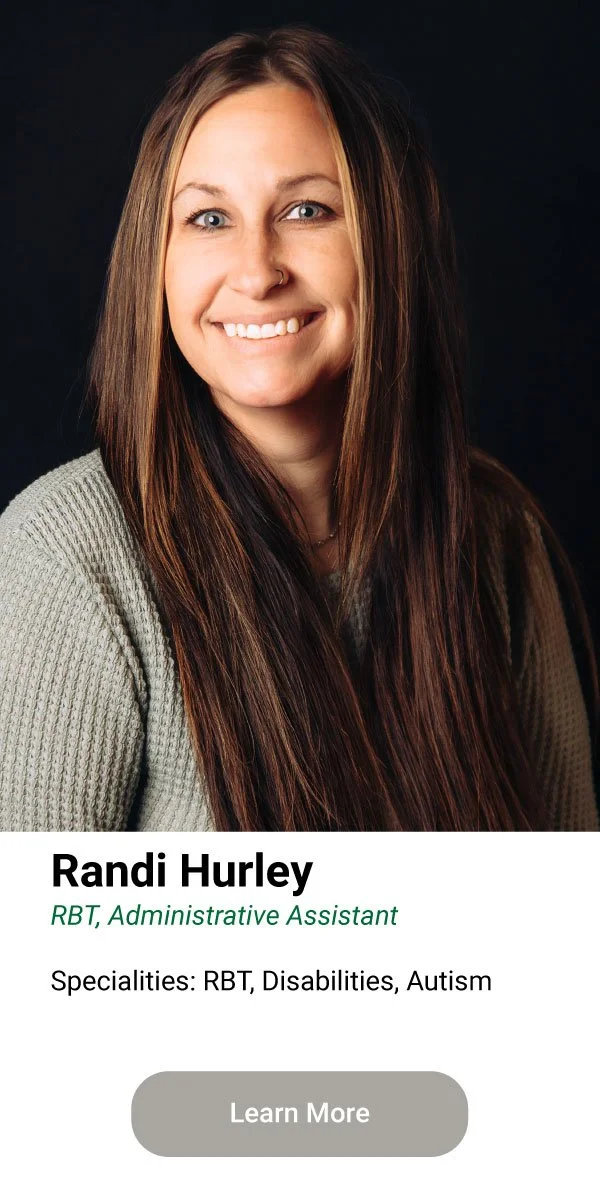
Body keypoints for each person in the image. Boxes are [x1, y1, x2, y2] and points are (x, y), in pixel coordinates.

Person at [0, 25, 597, 831]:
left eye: (306, 210)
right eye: (209, 219)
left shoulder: (495, 538)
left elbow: (557, 909)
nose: (257, 271)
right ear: (156, 261)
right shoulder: (67, 556)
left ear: (386, 241)